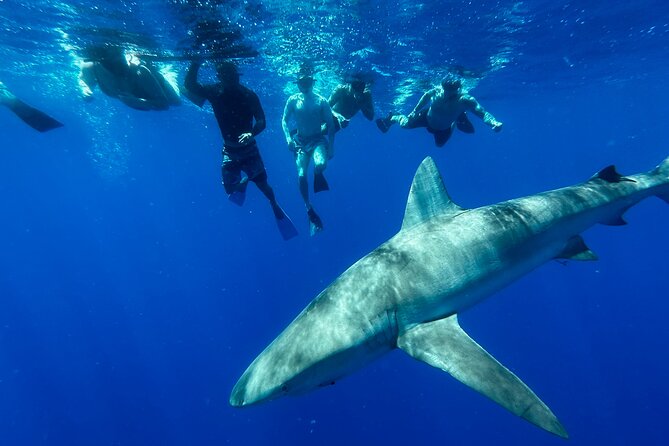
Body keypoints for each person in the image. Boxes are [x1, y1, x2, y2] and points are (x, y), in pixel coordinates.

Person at [185, 60, 297, 240]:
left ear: (237, 77)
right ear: (221, 78)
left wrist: (251, 133)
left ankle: (273, 203)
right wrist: (195, 62)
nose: (231, 81)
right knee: (230, 190)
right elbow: (190, 85)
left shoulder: (248, 95)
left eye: (233, 77)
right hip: (229, 151)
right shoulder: (215, 92)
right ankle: (246, 179)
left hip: (249, 150)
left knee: (263, 186)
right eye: (226, 78)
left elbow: (262, 121)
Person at [376, 75, 502, 147]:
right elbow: (425, 96)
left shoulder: (465, 100)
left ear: (458, 89)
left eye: (451, 92)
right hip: (427, 117)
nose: (446, 94)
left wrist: (493, 123)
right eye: (445, 90)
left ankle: (458, 119)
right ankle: (394, 117)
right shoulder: (437, 91)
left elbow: (482, 113)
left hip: (444, 127)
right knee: (404, 125)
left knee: (439, 145)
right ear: (442, 87)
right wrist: (415, 110)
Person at [282, 73, 336, 236]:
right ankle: (308, 208)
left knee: (320, 165)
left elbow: (331, 126)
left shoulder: (321, 101)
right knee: (300, 175)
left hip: (317, 139)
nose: (304, 85)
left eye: (307, 82)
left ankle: (318, 174)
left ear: (312, 83)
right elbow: (284, 120)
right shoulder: (292, 100)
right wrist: (287, 138)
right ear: (297, 83)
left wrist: (331, 147)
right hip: (300, 141)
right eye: (301, 82)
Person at [79, 45, 181, 111]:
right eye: (111, 61)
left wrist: (140, 102)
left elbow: (164, 104)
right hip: (136, 89)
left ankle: (167, 75)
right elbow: (84, 80)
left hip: (153, 85)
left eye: (119, 59)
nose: (117, 65)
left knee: (176, 101)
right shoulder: (90, 65)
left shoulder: (139, 70)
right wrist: (85, 89)